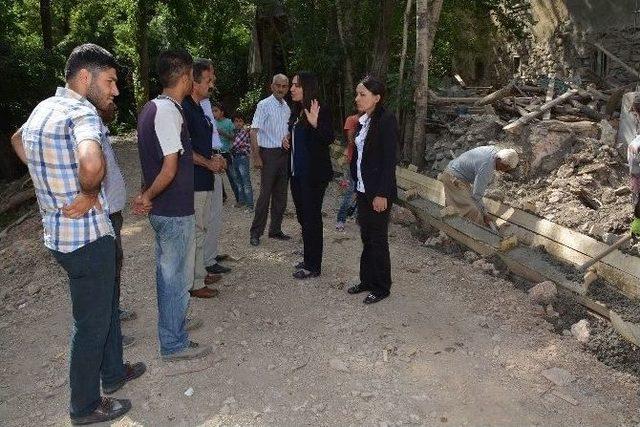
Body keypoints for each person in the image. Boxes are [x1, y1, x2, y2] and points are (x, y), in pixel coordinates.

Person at [12, 43, 144, 425]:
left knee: (102, 309)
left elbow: (18, 140)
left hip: (60, 236)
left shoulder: (44, 108)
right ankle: (84, 406)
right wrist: (86, 192)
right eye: (110, 81)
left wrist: (51, 179)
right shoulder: (81, 112)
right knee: (91, 323)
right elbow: (90, 161)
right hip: (86, 238)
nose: (115, 90)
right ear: (85, 78)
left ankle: (114, 371)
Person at [134, 49, 211, 361]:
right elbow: (167, 168)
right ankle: (173, 342)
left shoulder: (153, 108)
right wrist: (147, 197)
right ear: (184, 77)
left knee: (173, 275)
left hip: (171, 209)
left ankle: (175, 323)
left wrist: (146, 193)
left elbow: (151, 162)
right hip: (172, 210)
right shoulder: (167, 112)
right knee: (174, 277)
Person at [346, 75, 398, 305]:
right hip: (363, 190)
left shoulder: (386, 120)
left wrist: (382, 193)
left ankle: (382, 286)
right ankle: (367, 280)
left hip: (378, 192)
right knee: (366, 237)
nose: (357, 98)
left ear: (377, 98)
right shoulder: (363, 120)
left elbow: (389, 160)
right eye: (357, 94)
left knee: (378, 240)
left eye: (362, 94)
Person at [181, 58, 227, 299]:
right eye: (209, 79)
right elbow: (184, 149)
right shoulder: (185, 109)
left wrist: (217, 159)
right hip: (195, 180)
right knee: (196, 231)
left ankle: (199, 271)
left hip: (205, 177)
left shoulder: (199, 107)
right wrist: (209, 162)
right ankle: (195, 282)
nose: (213, 83)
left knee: (202, 227)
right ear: (194, 81)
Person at [288, 72, 334, 279]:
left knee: (312, 219)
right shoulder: (297, 111)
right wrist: (287, 140)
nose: (292, 88)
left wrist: (316, 124)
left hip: (313, 176)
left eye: (296, 85)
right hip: (297, 175)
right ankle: (309, 257)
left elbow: (328, 138)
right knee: (303, 217)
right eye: (292, 85)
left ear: (307, 87)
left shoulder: (320, 109)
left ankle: (313, 266)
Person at [249, 74, 292, 246]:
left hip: (284, 154)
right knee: (265, 195)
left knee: (281, 196)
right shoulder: (264, 104)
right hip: (268, 154)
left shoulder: (286, 107)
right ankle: (255, 233)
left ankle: (275, 230)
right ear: (272, 86)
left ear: (288, 87)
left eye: (284, 86)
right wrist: (256, 156)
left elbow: (286, 129)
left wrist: (287, 137)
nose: (281, 89)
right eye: (278, 85)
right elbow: (253, 131)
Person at [438, 146, 519, 226]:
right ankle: (476, 235)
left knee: (457, 204)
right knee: (473, 211)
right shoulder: (487, 167)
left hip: (457, 176)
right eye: (505, 168)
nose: (503, 171)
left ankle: (443, 221)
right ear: (501, 161)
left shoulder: (494, 151)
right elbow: (476, 196)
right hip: (453, 179)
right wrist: (485, 215)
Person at [200, 97, 233, 275]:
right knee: (206, 216)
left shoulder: (203, 104)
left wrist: (219, 156)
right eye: (208, 79)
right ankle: (206, 260)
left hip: (215, 160)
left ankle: (209, 254)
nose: (212, 83)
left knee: (214, 214)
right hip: (205, 166)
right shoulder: (190, 106)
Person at [336, 112, 360, 231]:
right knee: (350, 192)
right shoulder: (352, 120)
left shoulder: (371, 120)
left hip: (366, 164)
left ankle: (359, 219)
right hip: (353, 161)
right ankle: (341, 219)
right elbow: (351, 141)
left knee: (363, 192)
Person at [212, 102, 240, 205]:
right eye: (212, 111)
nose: (214, 113)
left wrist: (222, 132)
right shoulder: (211, 122)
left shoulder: (228, 122)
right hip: (215, 152)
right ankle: (222, 196)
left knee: (231, 176)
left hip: (226, 152)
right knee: (217, 176)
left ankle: (239, 197)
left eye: (216, 111)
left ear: (222, 112)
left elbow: (234, 137)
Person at [231, 112, 254, 208]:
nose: (238, 123)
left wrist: (229, 149)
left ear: (244, 122)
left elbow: (235, 144)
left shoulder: (244, 131)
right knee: (238, 180)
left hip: (242, 157)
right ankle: (241, 201)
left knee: (245, 181)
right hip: (236, 156)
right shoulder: (236, 131)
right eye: (236, 121)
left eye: (240, 121)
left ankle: (250, 204)